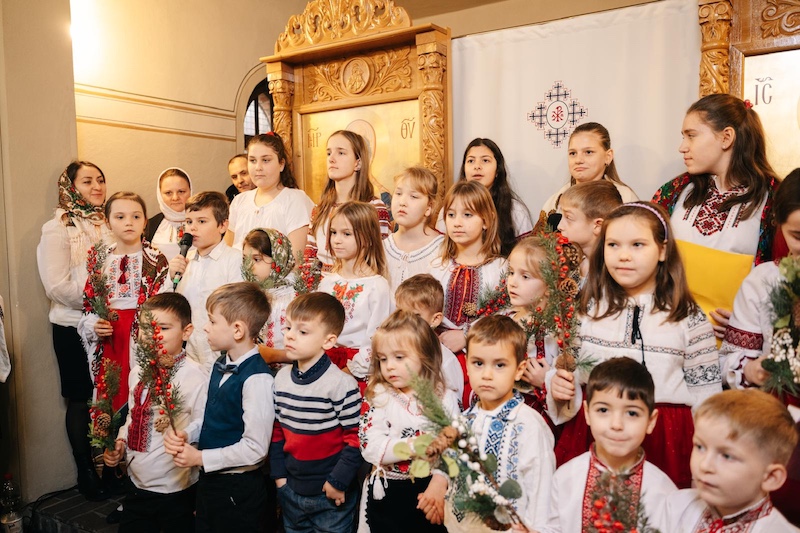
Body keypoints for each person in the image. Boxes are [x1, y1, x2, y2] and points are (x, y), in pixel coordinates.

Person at [548, 202, 721, 488]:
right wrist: (558, 386)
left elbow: (707, 393)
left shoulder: (687, 317)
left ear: (663, 250)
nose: (624, 255)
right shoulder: (588, 310)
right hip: (596, 430)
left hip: (665, 439)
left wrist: (707, 452)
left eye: (638, 245)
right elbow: (569, 374)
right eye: (613, 245)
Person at [653, 94, 780, 337]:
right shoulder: (674, 191)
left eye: (691, 135)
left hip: (735, 345)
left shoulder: (773, 198)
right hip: (671, 334)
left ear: (726, 137)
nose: (682, 147)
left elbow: (786, 276)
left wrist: (750, 320)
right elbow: (644, 254)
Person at [719, 168, 800, 523]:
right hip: (779, 429)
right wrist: (752, 370)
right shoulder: (764, 282)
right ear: (779, 227)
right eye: (798, 236)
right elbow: (731, 360)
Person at [164, 282, 274, 532]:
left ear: (237, 330)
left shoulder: (257, 379)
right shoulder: (220, 364)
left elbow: (256, 449)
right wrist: (188, 434)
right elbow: (209, 417)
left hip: (238, 489)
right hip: (211, 483)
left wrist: (200, 458)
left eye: (212, 321)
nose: (206, 327)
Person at [37, 161, 112, 500]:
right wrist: (100, 303)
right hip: (72, 326)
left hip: (109, 325)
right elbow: (56, 285)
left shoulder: (109, 222)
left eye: (100, 180)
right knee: (81, 398)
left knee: (111, 394)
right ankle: (86, 471)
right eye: (87, 181)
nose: (96, 187)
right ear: (70, 187)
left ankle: (111, 465)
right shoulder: (57, 228)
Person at [102, 293, 207, 532]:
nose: (152, 334)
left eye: (163, 327)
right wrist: (120, 442)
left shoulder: (195, 376)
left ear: (186, 331)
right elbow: (133, 416)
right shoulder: (137, 371)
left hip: (175, 489)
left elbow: (204, 423)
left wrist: (186, 435)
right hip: (137, 485)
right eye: (145, 327)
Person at [540, 357, 677, 533]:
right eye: (603, 410)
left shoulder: (663, 491)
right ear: (587, 413)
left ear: (651, 421)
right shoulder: (566, 477)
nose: (616, 424)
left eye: (632, 413)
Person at [445, 315, 555, 532]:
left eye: (500, 365)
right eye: (478, 363)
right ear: (467, 366)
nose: (487, 375)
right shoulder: (463, 421)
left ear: (519, 370)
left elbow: (541, 491)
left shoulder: (528, 425)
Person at [269, 292, 362, 533]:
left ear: (328, 341)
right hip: (291, 490)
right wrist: (280, 479)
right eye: (288, 327)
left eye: (302, 331)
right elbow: (277, 431)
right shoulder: (281, 379)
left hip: (330, 492)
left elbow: (356, 438)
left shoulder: (341, 384)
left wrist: (338, 481)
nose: (290, 335)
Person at [360, 310, 460, 532]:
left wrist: (439, 482)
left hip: (432, 491)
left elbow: (455, 446)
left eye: (399, 357)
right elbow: (370, 446)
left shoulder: (445, 397)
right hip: (390, 494)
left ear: (425, 355)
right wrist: (415, 446)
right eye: (383, 359)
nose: (389, 366)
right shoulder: (379, 395)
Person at [79, 192, 170, 426]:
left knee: (142, 393)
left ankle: (137, 442)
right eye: (120, 217)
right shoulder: (100, 261)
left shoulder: (156, 260)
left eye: (136, 216)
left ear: (145, 221)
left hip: (143, 336)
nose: (129, 222)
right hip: (110, 338)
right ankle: (109, 444)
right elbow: (89, 304)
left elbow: (164, 304)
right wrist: (94, 324)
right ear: (108, 222)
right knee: (110, 392)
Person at [656, 389, 799, 532]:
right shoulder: (675, 507)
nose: (705, 465)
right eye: (700, 447)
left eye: (727, 456)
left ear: (770, 477)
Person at [429, 181, 506, 407]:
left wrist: (466, 335)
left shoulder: (500, 269)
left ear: (486, 220)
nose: (457, 222)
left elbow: (506, 317)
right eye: (451, 214)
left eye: (468, 215)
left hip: (481, 358)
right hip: (437, 356)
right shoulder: (437, 266)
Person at [318, 201, 394, 387]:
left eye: (346, 234)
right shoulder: (327, 282)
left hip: (355, 368)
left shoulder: (377, 286)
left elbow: (376, 339)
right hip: (323, 361)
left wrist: (349, 371)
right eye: (334, 232)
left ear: (367, 239)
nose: (337, 240)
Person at [170, 191, 243, 372]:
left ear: (223, 225)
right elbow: (170, 306)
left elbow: (238, 308)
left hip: (221, 355)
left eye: (202, 221)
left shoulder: (234, 259)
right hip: (189, 355)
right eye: (189, 222)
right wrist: (171, 278)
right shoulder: (184, 261)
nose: (192, 228)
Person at [303, 130, 391, 276]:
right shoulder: (320, 209)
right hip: (321, 285)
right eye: (329, 153)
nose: (332, 159)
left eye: (341, 153)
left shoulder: (373, 207)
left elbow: (380, 257)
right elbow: (310, 258)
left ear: (358, 163)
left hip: (359, 282)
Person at [439, 138, 532, 256]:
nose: (477, 166)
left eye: (485, 160)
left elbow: (527, 257)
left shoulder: (515, 210)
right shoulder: (450, 208)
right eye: (471, 161)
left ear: (498, 170)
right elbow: (442, 251)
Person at [227, 132, 315, 256]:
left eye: (265, 160)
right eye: (252, 160)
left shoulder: (295, 199)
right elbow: (227, 249)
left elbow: (297, 257)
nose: (258, 167)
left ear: (281, 164)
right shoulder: (239, 201)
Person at [541, 122, 637, 216]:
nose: (578, 160)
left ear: (608, 156)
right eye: (573, 153)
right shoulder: (554, 203)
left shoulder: (625, 199)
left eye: (588, 152)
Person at [395, 274, 464, 404]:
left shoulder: (444, 360)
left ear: (435, 319)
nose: (404, 321)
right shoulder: (393, 350)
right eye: (400, 313)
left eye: (415, 316)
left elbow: (453, 405)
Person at [383, 166, 444, 293]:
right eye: (398, 193)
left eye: (414, 196)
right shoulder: (382, 248)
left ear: (429, 207)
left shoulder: (442, 250)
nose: (402, 202)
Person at [241, 228, 297, 366]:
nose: (249, 266)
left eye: (257, 259)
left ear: (279, 260)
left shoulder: (294, 299)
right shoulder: (249, 293)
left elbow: (309, 351)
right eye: (245, 259)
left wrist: (274, 355)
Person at [556, 180, 623, 279]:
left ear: (598, 226)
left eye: (569, 218)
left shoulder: (609, 274)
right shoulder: (569, 262)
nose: (559, 226)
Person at [146, 167, 193, 260]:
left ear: (190, 191)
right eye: (168, 193)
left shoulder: (204, 222)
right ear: (160, 194)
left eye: (181, 191)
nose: (175, 198)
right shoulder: (149, 226)